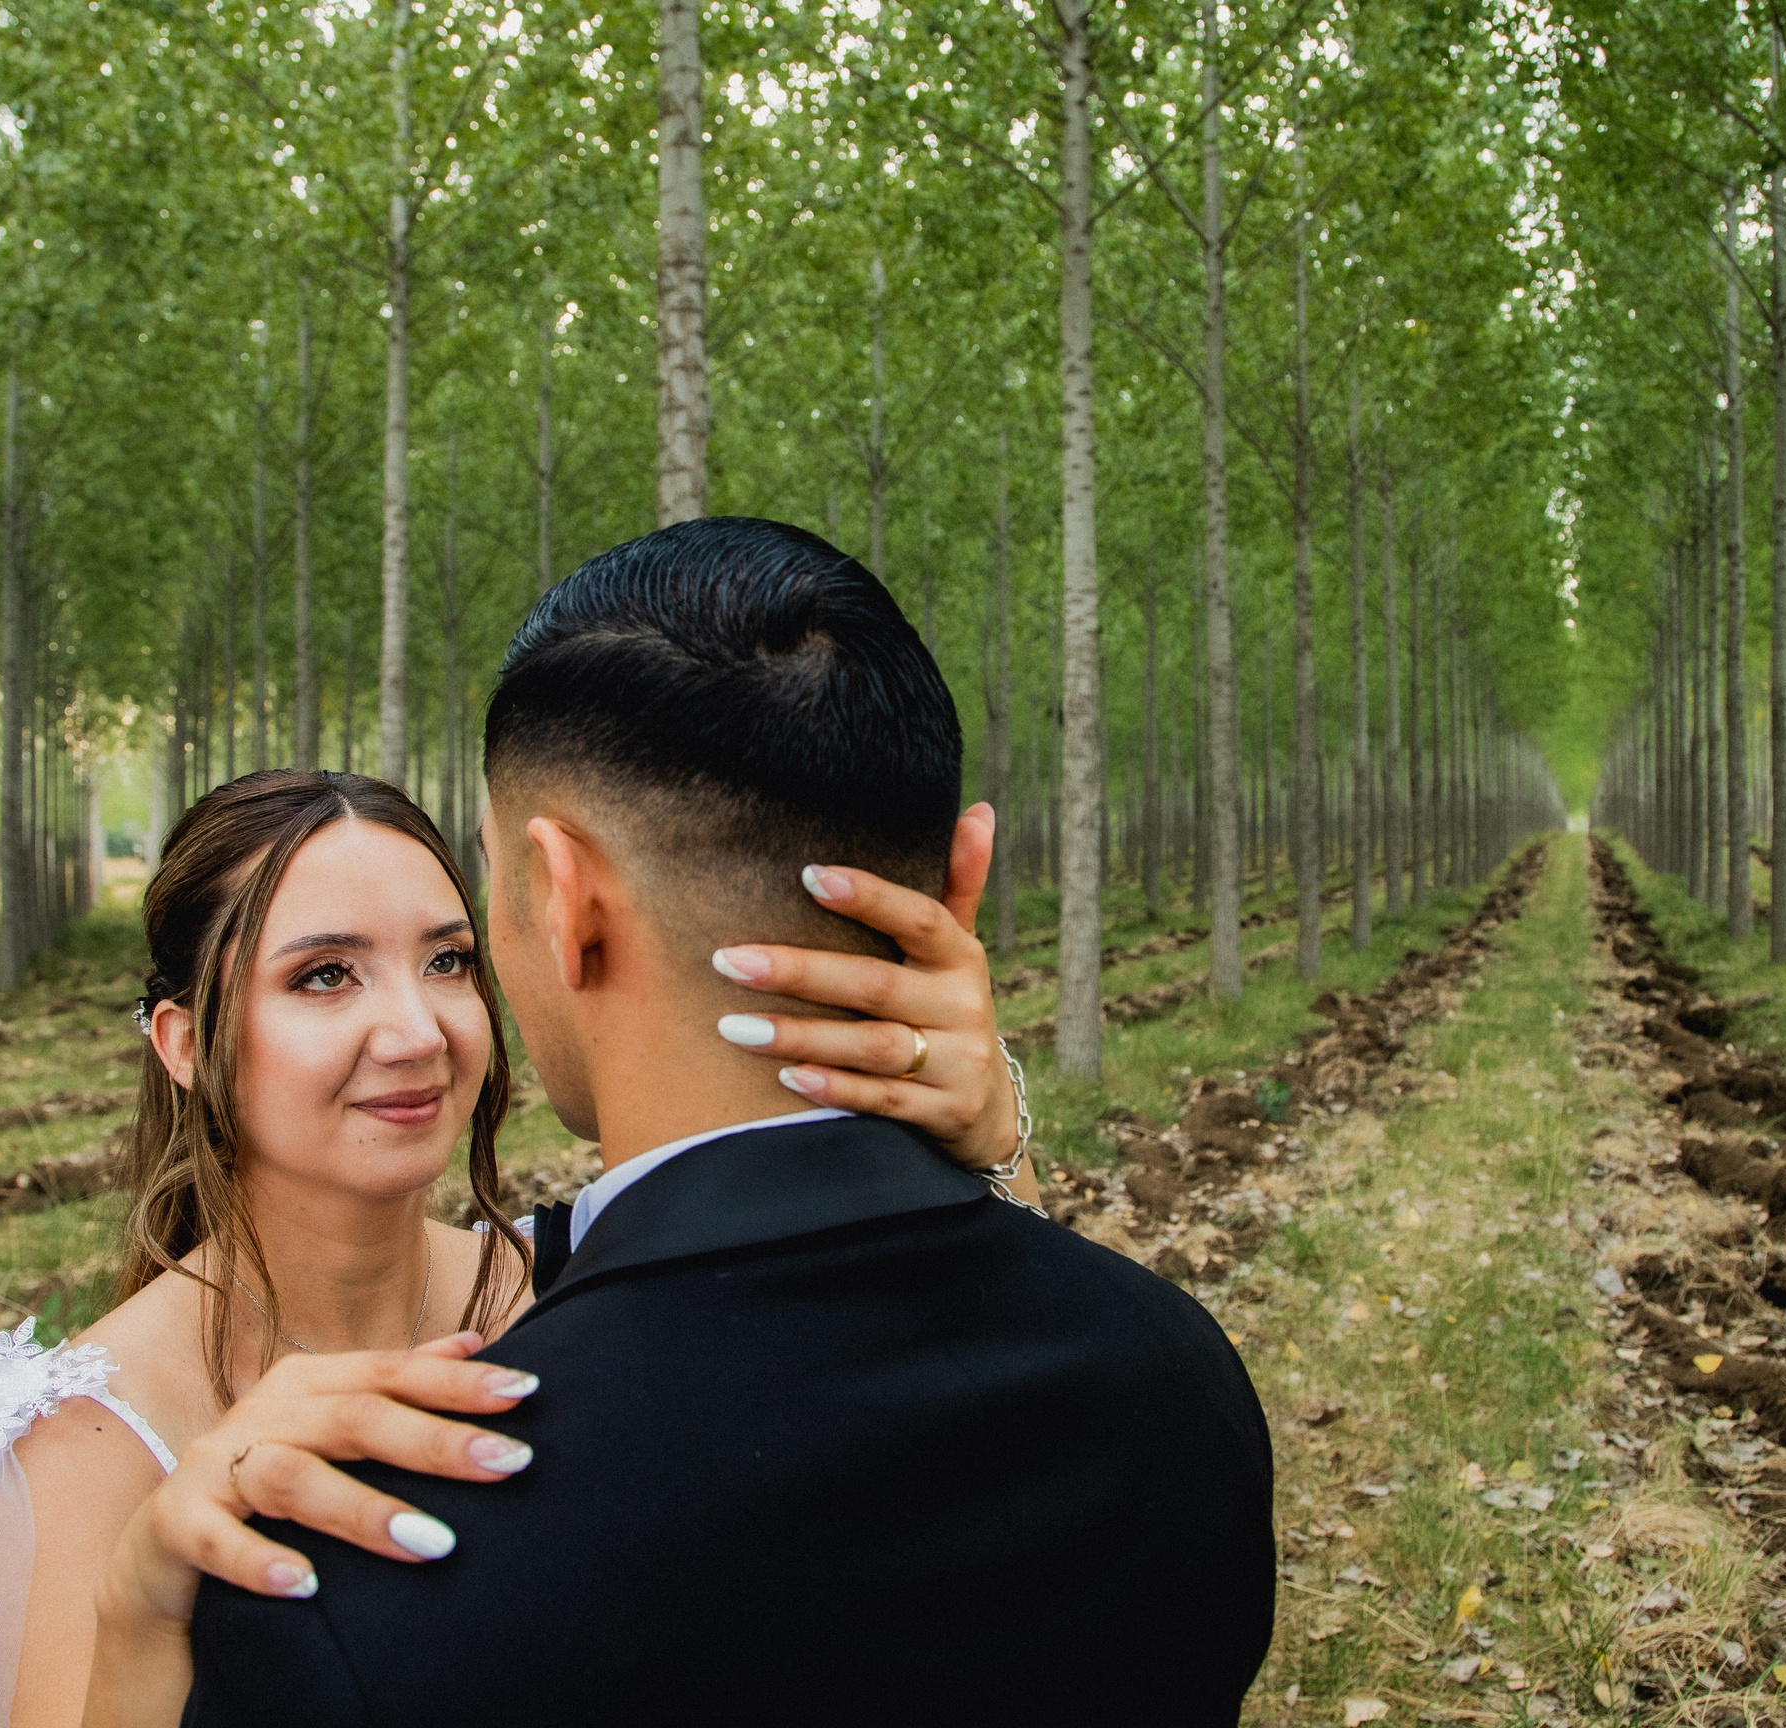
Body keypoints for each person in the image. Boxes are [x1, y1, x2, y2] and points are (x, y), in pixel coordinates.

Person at [101, 518, 1274, 1726]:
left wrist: (137, 1611)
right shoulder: (1178, 1383)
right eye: (324, 975)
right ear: (960, 865)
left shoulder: (356, 1575)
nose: (416, 1027)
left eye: (461, 938)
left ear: (566, 899)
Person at [0, 767, 1026, 1728]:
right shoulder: (78, 1447)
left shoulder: (582, 1278)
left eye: (448, 961)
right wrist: (143, 1598)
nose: (417, 1031)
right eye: (325, 977)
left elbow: (957, 1415)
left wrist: (987, 1139)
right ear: (182, 1044)